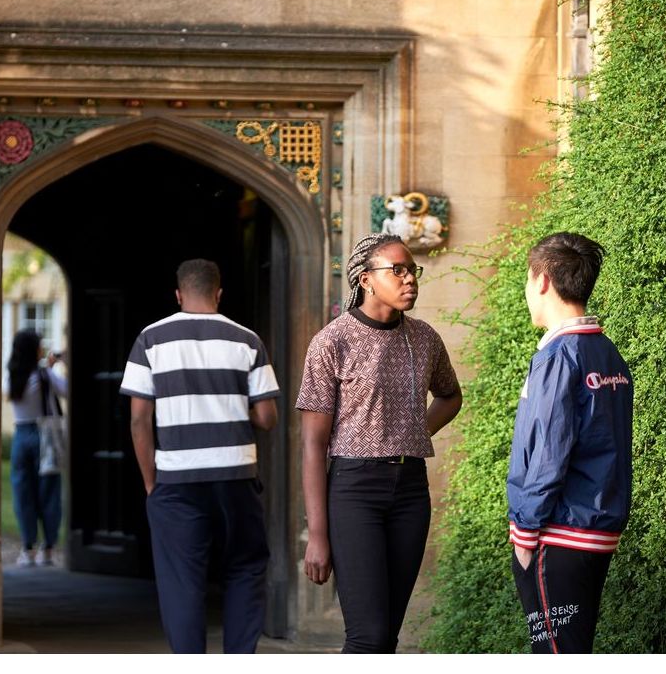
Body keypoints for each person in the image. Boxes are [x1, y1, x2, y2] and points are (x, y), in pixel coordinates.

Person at [296, 232, 463, 653]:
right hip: (354, 491)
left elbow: (450, 395)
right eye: (398, 270)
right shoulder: (331, 342)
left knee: (387, 634)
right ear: (366, 279)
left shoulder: (424, 337)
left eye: (413, 270)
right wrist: (317, 533)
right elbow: (313, 446)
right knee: (367, 635)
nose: (410, 279)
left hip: (410, 490)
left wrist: (413, 430)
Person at [119, 258, 280, 654]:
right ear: (218, 293)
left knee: (181, 582)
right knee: (244, 569)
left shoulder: (150, 340)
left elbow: (139, 420)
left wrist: (150, 483)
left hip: (175, 480)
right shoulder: (247, 339)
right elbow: (267, 417)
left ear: (178, 294)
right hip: (236, 476)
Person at [507, 232, 633, 654]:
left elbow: (548, 452)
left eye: (527, 278)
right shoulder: (606, 352)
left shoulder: (559, 357)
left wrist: (524, 531)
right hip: (594, 530)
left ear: (542, 280)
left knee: (556, 654)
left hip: (557, 535)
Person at [5, 328, 66, 567]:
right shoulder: (44, 376)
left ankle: (27, 547)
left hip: (21, 434)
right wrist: (52, 368)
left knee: (23, 492)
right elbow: (67, 389)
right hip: (44, 435)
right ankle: (48, 547)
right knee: (49, 492)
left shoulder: (12, 377)